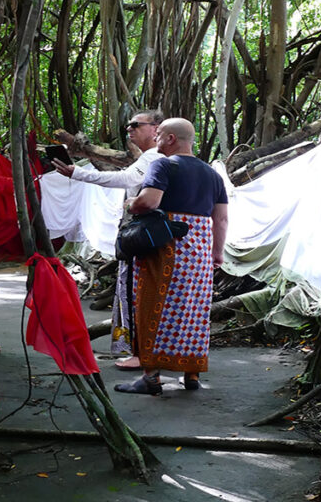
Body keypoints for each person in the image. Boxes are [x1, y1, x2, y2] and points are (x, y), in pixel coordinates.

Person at [115, 118, 228, 395]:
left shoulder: (164, 165)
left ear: (170, 139)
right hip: (199, 251)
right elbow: (221, 219)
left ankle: (151, 377)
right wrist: (217, 254)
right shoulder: (213, 175)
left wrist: (132, 203)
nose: (155, 141)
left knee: (152, 305)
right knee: (193, 310)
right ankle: (191, 375)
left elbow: (149, 201)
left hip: (166, 248)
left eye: (159, 135)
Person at [51, 110, 164, 371]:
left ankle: (141, 353)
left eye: (136, 125)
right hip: (151, 234)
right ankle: (148, 351)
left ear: (156, 128)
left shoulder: (154, 157)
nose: (129, 130)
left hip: (144, 234)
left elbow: (127, 179)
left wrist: (78, 174)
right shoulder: (158, 158)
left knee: (137, 292)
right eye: (127, 126)